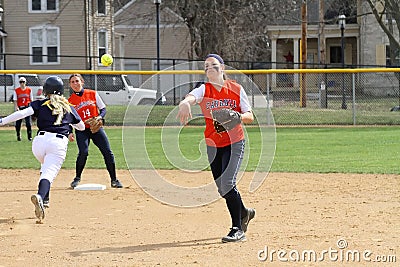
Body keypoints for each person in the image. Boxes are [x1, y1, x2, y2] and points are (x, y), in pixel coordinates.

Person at [177, 54, 256, 243]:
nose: (209, 68)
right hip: (213, 145)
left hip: (234, 142)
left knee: (228, 183)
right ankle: (244, 212)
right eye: (206, 66)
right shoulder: (204, 89)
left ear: (222, 68)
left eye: (213, 65)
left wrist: (237, 116)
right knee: (223, 189)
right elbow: (191, 97)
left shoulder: (236, 89)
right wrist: (184, 103)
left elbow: (250, 116)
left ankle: (237, 228)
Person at [0, 76, 85, 222]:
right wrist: (71, 125)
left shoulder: (40, 103)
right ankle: (40, 196)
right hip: (57, 143)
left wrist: (2, 121)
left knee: (44, 167)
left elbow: (21, 114)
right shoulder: (68, 106)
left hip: (39, 142)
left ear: (46, 91)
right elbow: (82, 126)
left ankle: (45, 200)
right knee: (48, 174)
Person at [68, 74, 123, 189]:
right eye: (72, 82)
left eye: (77, 81)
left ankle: (114, 179)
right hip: (82, 130)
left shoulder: (92, 93)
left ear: (82, 82)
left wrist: (99, 117)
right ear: (70, 85)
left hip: (96, 128)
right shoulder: (70, 101)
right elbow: (69, 119)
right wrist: (70, 132)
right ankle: (77, 178)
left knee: (108, 152)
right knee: (83, 152)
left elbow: (103, 109)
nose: (75, 84)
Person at [13, 77, 33, 141]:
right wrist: (16, 107)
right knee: (18, 124)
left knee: (28, 124)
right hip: (20, 108)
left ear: (25, 82)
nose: (22, 83)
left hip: (27, 107)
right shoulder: (16, 90)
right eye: (20, 82)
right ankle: (18, 136)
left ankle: (29, 137)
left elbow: (31, 100)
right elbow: (15, 100)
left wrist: (31, 108)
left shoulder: (29, 90)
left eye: (23, 82)